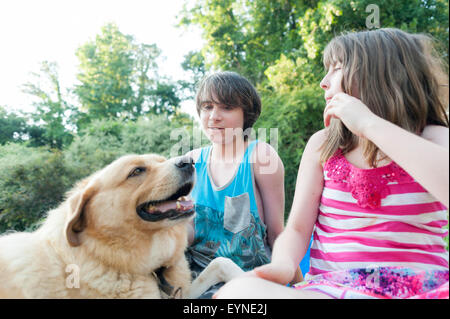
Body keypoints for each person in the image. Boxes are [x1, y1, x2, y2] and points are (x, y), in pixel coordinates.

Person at [214, 28, 449, 299]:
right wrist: (283, 264)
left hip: (419, 289)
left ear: (379, 76)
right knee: (237, 293)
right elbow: (298, 229)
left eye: (336, 69)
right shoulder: (324, 145)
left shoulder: (433, 137)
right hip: (332, 290)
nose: (323, 82)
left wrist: (368, 124)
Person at [185, 71, 286, 298]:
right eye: (207, 107)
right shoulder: (190, 161)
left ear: (246, 114)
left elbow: (277, 234)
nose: (214, 116)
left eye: (227, 107)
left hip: (245, 282)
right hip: (193, 279)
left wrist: (298, 286)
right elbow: (188, 232)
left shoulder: (260, 157)